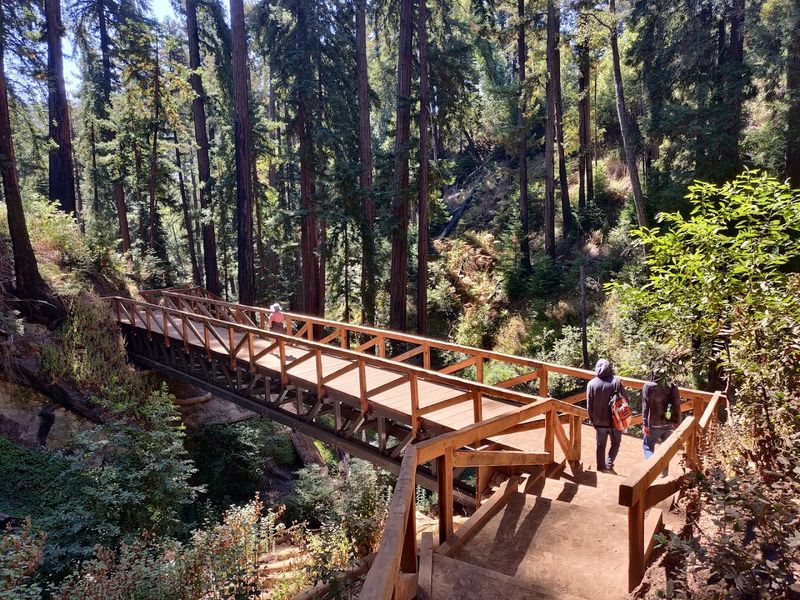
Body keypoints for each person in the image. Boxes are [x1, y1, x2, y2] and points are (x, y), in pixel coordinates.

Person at [586, 359, 629, 472]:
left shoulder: (591, 384)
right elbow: (625, 401)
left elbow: (589, 405)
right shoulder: (616, 382)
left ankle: (601, 468)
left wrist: (592, 419)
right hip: (615, 421)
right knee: (616, 443)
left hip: (599, 421)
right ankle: (609, 464)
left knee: (600, 446)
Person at [641, 367, 680, 475]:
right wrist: (677, 422)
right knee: (665, 450)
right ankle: (664, 474)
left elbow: (645, 407)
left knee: (647, 446)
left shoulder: (648, 386)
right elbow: (677, 406)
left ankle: (651, 469)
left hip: (653, 424)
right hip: (669, 424)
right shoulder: (672, 387)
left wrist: (645, 424)